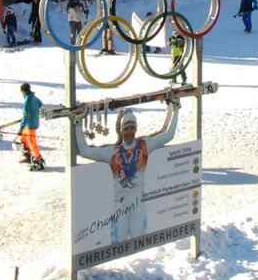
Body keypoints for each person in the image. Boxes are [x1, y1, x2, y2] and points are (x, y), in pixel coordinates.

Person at [78, 97, 182, 242]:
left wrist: (175, 109)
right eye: (126, 128)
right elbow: (84, 151)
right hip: (120, 205)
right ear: (121, 130)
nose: (129, 132)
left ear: (136, 129)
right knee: (118, 242)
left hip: (138, 203)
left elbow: (169, 135)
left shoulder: (144, 145)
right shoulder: (112, 152)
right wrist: (77, 123)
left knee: (139, 239)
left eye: (132, 128)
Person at [18, 83, 46, 170]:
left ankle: (38, 161)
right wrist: (35, 112)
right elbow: (41, 105)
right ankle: (28, 156)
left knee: (32, 143)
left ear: (23, 91)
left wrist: (20, 128)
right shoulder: (34, 97)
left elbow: (25, 117)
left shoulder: (27, 101)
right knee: (23, 139)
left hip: (30, 125)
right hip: (33, 123)